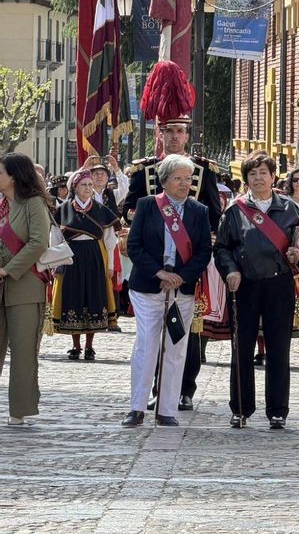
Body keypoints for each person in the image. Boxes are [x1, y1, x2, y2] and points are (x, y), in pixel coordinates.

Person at [124, 65, 222, 414]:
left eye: (182, 131)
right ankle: (151, 391)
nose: (177, 136)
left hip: (190, 262)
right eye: (171, 131)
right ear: (160, 133)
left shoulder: (203, 170)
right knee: (150, 339)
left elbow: (214, 213)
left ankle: (184, 389)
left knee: (186, 332)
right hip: (153, 267)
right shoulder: (146, 171)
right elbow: (129, 211)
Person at [215, 152, 299, 430]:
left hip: (279, 284)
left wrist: (298, 252)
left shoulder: (289, 209)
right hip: (244, 284)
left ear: (273, 176)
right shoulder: (235, 210)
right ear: (246, 179)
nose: (258, 178)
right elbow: (221, 247)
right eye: (252, 174)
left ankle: (278, 410)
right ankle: (240, 408)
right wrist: (229, 269)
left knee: (279, 348)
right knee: (241, 347)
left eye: (263, 173)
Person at [121, 154, 213, 427]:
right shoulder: (147, 206)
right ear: (164, 180)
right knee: (147, 346)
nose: (185, 184)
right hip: (148, 287)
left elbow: (204, 251)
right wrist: (159, 273)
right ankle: (137, 407)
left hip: (181, 290)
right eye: (178, 178)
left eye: (188, 179)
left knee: (175, 348)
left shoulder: (199, 211)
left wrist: (180, 277)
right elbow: (134, 246)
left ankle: (166, 409)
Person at [0, 153, 51, 425]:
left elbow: (38, 242)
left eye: (0, 173)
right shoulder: (0, 205)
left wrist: (8, 270)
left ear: (14, 177)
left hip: (25, 286)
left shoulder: (33, 204)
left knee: (22, 351)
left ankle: (19, 410)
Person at [51, 169, 119, 359]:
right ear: (75, 187)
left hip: (95, 257)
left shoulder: (100, 210)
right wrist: (55, 264)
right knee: (73, 297)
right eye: (84, 185)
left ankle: (90, 345)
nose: (88, 188)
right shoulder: (63, 210)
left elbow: (110, 240)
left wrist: (110, 265)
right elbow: (55, 239)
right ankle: (76, 345)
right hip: (71, 258)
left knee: (94, 298)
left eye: (90, 185)